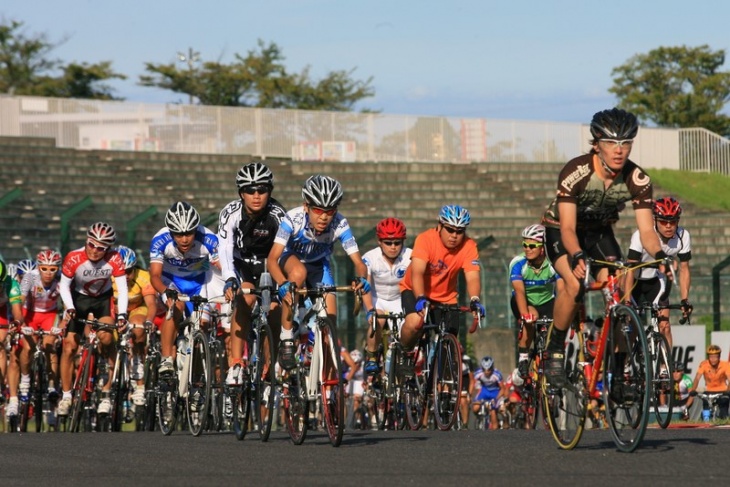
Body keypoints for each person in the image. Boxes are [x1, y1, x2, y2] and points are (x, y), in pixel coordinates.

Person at [540, 107, 665, 390]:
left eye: (626, 142)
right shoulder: (577, 171)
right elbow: (569, 229)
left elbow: (647, 230)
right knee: (574, 283)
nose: (619, 150)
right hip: (562, 232)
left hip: (599, 232)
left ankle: (619, 372)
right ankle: (555, 348)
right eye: (611, 143)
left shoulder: (637, 179)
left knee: (619, 287)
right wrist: (576, 255)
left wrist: (660, 256)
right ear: (596, 144)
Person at [267, 175, 372, 370]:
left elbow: (359, 263)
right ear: (306, 206)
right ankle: (287, 338)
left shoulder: (340, 223)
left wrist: (362, 278)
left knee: (330, 323)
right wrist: (282, 283)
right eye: (317, 210)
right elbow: (272, 259)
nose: (324, 217)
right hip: (290, 260)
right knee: (298, 273)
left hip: (318, 266)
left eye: (330, 211)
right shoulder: (292, 219)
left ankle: (322, 380)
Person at [218, 162, 287, 386]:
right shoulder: (230, 213)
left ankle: (270, 364)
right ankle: (236, 363)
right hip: (242, 263)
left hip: (270, 264)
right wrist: (229, 277)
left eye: (262, 190)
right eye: (250, 190)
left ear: (270, 191)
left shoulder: (278, 214)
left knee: (275, 309)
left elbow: (285, 252)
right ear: (241, 193)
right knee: (245, 299)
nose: (256, 196)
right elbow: (225, 248)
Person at [398, 204, 484, 373]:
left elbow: (472, 276)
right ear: (440, 226)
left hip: (446, 297)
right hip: (415, 290)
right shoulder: (425, 239)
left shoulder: (469, 246)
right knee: (415, 321)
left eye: (459, 231)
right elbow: (417, 273)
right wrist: (421, 297)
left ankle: (443, 390)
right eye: (450, 229)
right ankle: (405, 351)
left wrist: (475, 299)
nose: (454, 236)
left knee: (449, 341)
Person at [57, 223, 129, 417]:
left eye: (101, 248)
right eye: (91, 245)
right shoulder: (74, 257)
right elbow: (64, 286)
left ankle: (106, 391)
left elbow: (122, 289)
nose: (95, 251)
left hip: (102, 300)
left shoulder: (115, 258)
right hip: (78, 300)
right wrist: (70, 307)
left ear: (108, 249)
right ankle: (66, 396)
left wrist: (122, 315)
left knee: (107, 339)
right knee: (69, 347)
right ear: (86, 241)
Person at [149, 201, 221, 377]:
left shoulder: (209, 239)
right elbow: (155, 276)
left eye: (189, 233)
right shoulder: (160, 240)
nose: (184, 239)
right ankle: (167, 358)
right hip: (170, 281)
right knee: (176, 307)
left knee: (202, 327)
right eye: (178, 234)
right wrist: (166, 292)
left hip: (198, 283)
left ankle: (196, 381)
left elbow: (224, 267)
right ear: (171, 231)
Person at [624, 196, 693, 351]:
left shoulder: (683, 236)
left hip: (656, 282)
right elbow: (629, 269)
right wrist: (627, 301)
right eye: (663, 221)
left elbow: (684, 269)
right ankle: (626, 364)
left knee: (665, 326)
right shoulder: (640, 236)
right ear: (654, 220)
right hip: (635, 282)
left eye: (673, 222)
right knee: (633, 329)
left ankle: (665, 367)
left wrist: (684, 299)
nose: (668, 226)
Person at [508, 224, 561, 377]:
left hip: (547, 301)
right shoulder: (518, 263)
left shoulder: (553, 264)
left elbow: (562, 289)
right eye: (524, 245)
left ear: (542, 248)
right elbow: (519, 291)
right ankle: (523, 358)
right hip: (525, 300)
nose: (527, 249)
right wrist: (525, 315)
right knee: (530, 321)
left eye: (532, 245)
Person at [361, 217, 412, 374]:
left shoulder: (410, 256)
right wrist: (370, 309)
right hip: (378, 299)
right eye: (388, 243)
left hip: (399, 298)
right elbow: (365, 286)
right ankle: (371, 355)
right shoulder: (370, 258)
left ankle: (404, 358)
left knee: (407, 328)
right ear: (379, 241)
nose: (393, 247)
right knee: (378, 319)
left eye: (397, 242)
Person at [112, 246, 158, 407]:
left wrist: (149, 321)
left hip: (136, 309)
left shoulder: (143, 277)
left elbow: (151, 304)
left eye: (129, 271)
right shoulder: (107, 277)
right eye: (121, 272)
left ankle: (139, 375)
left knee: (138, 328)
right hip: (114, 310)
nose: (125, 276)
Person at [18, 250, 64, 405]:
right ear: (38, 267)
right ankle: (25, 379)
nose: (48, 274)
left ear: (58, 269)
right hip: (29, 312)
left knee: (49, 346)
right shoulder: (30, 277)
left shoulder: (62, 279)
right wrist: (22, 323)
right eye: (44, 269)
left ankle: (52, 385)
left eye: (53, 269)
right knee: (28, 347)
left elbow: (68, 305)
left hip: (50, 314)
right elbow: (19, 300)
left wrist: (62, 325)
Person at [0, 259, 26, 418]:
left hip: (1, 312)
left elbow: (17, 313)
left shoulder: (11, 284)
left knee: (0, 345)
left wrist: (16, 322)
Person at [690, 344, 730, 419]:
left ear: (719, 357)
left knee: (724, 410)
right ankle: (706, 421)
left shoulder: (725, 365)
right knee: (705, 407)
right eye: (711, 357)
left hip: (723, 391)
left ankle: (724, 419)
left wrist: (728, 390)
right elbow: (697, 378)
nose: (713, 359)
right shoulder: (704, 364)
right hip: (709, 390)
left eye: (715, 357)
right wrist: (693, 390)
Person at [471, 356, 502, 430]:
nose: (487, 372)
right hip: (484, 391)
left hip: (495, 392)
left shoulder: (497, 374)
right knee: (475, 408)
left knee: (493, 412)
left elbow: (503, 389)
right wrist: (470, 394)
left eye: (489, 370)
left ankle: (495, 428)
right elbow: (473, 384)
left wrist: (496, 398)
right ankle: (480, 418)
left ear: (492, 368)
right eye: (484, 370)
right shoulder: (478, 373)